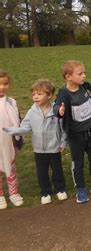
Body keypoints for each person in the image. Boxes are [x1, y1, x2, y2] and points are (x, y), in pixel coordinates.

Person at [54, 61, 91, 203]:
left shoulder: (86, 87)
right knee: (78, 162)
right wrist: (59, 111)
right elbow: (56, 106)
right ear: (68, 76)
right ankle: (80, 188)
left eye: (84, 73)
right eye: (80, 74)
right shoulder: (64, 93)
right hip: (75, 136)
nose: (84, 76)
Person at [3, 80, 67, 205]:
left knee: (57, 170)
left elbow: (62, 128)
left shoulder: (56, 111)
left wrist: (63, 143)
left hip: (54, 148)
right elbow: (25, 127)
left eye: (39, 94)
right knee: (42, 172)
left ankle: (60, 189)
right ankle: (45, 192)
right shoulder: (31, 112)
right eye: (33, 94)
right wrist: (12, 130)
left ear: (49, 95)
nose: (35, 97)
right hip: (39, 149)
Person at [0, 69, 24, 209]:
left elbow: (16, 120)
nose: (2, 87)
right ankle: (0, 195)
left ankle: (13, 193)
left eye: (5, 84)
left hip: (9, 142)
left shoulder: (11, 102)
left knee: (11, 167)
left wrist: (18, 137)